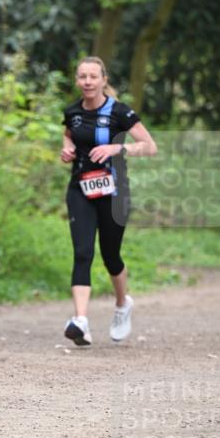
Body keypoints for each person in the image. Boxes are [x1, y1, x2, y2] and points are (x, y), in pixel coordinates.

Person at [61, 56, 157, 346]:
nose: (87, 82)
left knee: (110, 256)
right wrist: (66, 151)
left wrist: (117, 147)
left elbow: (150, 147)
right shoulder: (72, 112)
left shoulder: (120, 112)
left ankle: (121, 304)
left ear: (104, 80)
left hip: (114, 192)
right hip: (80, 189)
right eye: (82, 77)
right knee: (82, 252)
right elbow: (69, 137)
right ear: (77, 81)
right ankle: (81, 321)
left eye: (93, 77)